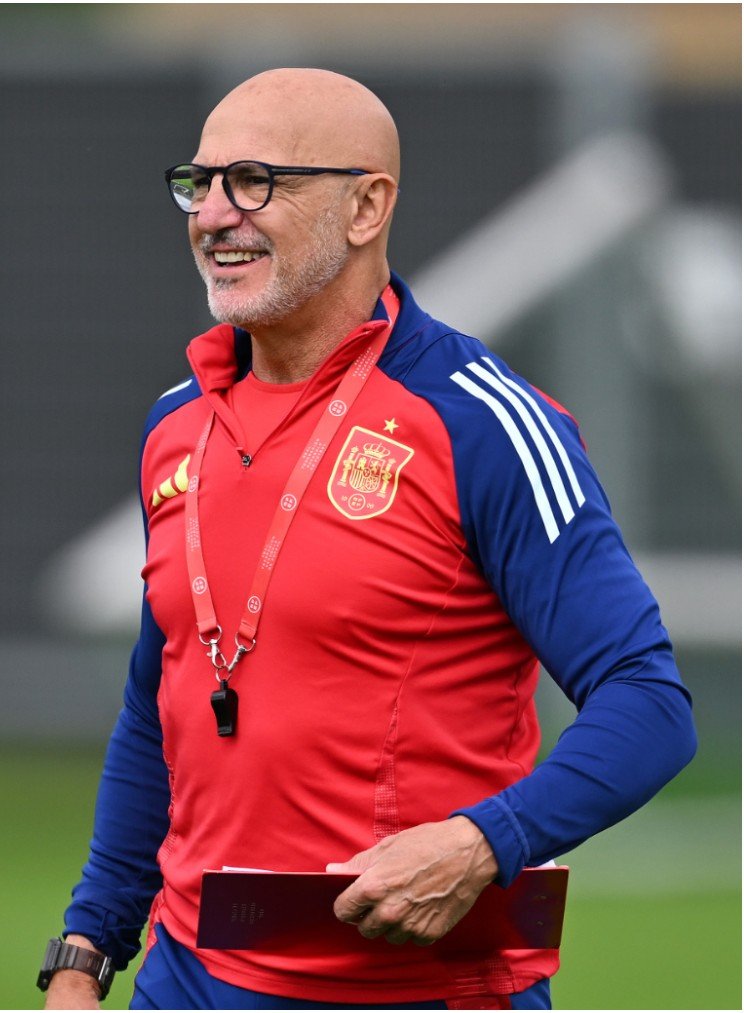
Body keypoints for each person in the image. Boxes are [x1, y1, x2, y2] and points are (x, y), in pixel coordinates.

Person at [37, 68, 695, 1010]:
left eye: (257, 180)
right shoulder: (174, 426)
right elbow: (161, 701)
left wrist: (482, 842)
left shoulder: (484, 425)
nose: (215, 214)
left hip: (419, 990)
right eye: (201, 182)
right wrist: (88, 947)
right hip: (187, 979)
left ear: (365, 206)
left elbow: (649, 703)